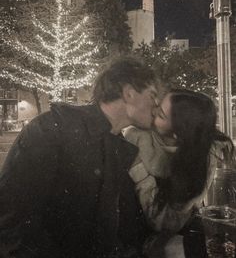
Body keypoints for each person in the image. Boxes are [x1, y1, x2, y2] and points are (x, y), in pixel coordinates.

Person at [0, 56, 158, 258]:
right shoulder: (51, 129)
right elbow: (11, 221)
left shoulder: (117, 146)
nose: (157, 105)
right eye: (152, 95)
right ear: (129, 93)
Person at [124, 89, 234, 257]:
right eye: (158, 105)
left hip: (169, 234)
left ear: (178, 133)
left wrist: (138, 168)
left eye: (161, 115)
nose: (153, 111)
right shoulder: (136, 136)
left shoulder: (202, 157)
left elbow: (168, 222)